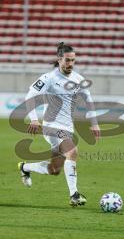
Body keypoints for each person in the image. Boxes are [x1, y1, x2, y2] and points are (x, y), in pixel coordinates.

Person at [18, 42, 100, 207]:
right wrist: (34, 119)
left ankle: (25, 167)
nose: (71, 64)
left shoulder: (78, 79)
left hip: (67, 127)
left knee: (54, 170)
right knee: (72, 151)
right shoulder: (49, 78)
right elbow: (30, 95)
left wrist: (94, 123)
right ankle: (74, 195)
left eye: (73, 60)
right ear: (59, 59)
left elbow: (88, 100)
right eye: (67, 60)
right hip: (51, 125)